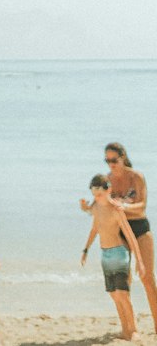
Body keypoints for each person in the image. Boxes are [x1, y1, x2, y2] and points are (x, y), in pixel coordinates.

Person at [85, 143, 157, 334]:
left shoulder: (136, 177)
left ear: (123, 158)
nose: (111, 165)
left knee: (147, 278)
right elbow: (98, 205)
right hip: (121, 232)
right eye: (107, 161)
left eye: (114, 160)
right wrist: (86, 208)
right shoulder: (107, 180)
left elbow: (142, 206)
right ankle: (130, 328)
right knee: (124, 282)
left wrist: (124, 207)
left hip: (139, 227)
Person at [82, 172, 147, 341]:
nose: (97, 196)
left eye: (100, 193)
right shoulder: (96, 208)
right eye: (94, 193)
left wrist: (139, 261)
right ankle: (125, 329)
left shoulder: (117, 210)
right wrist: (85, 250)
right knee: (114, 294)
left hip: (119, 253)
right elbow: (94, 229)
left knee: (123, 293)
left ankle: (133, 330)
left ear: (108, 189)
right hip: (106, 254)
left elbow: (130, 235)